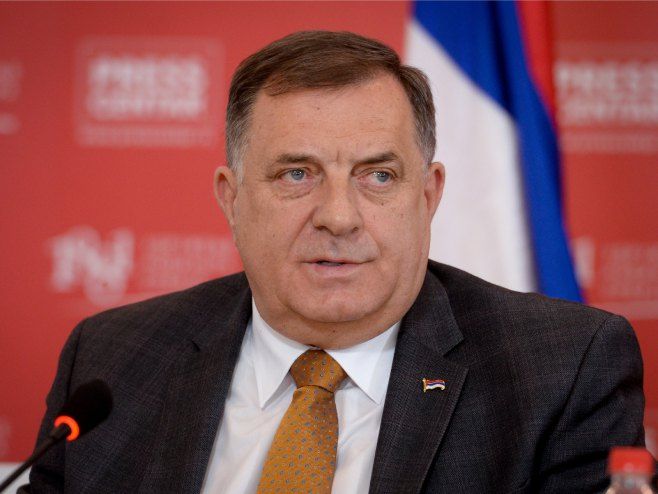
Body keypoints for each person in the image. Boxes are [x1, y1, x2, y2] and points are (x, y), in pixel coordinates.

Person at [23, 31, 644, 494]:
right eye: (297, 174)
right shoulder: (113, 361)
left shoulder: (559, 372)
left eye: (378, 175)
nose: (339, 217)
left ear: (428, 196)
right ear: (231, 198)